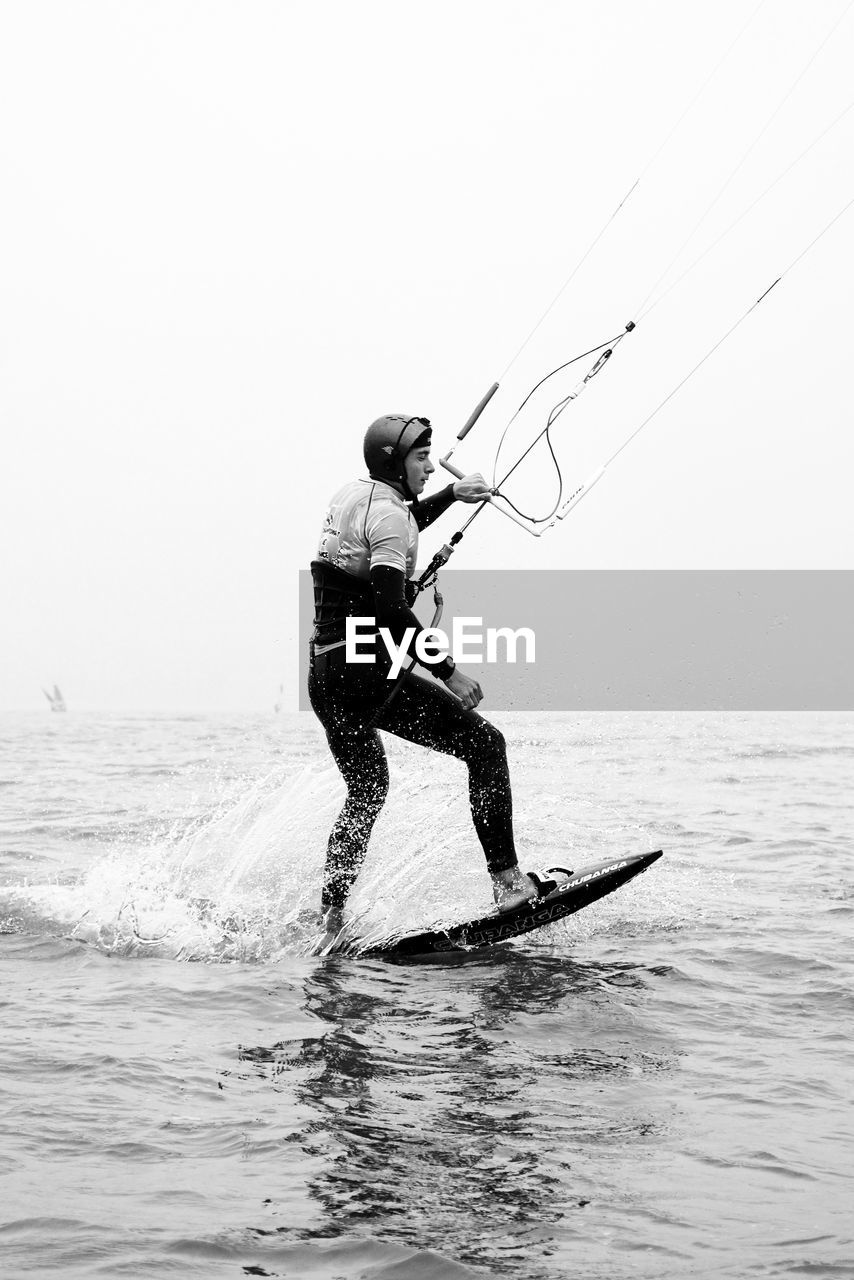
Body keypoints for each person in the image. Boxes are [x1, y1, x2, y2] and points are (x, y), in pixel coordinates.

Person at [308, 413, 538, 944]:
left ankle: (328, 917)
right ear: (395, 462)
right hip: (362, 667)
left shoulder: (354, 496)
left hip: (326, 673)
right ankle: (507, 881)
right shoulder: (390, 518)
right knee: (485, 744)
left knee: (366, 789)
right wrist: (449, 671)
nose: (430, 466)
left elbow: (402, 519)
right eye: (420, 457)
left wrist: (455, 494)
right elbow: (389, 609)